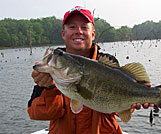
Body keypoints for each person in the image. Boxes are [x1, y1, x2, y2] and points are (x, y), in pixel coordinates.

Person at [27, 6, 153, 134]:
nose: (78, 31)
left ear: (92, 34)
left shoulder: (108, 62)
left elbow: (119, 107)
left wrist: (136, 100)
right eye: (72, 27)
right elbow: (36, 114)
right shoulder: (51, 73)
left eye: (84, 27)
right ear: (63, 34)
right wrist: (49, 88)